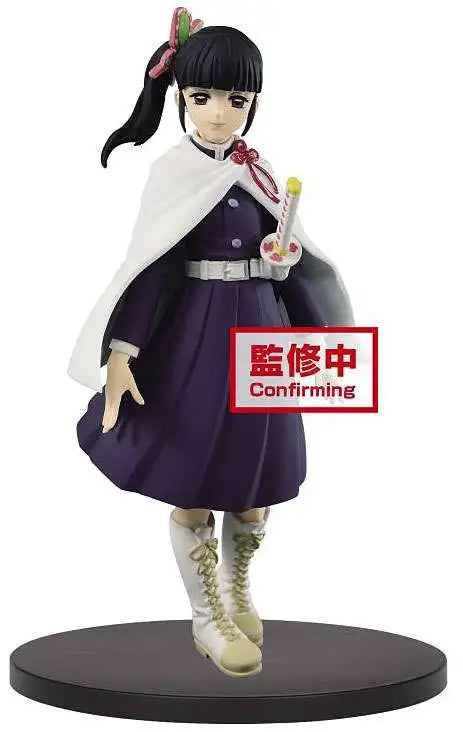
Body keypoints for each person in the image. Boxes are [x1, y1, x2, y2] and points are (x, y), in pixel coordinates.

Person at [68, 6, 353, 678]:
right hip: (195, 337)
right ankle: (206, 616)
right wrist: (122, 351)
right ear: (181, 98)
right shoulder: (174, 173)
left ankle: (236, 588)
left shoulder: (260, 171)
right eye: (202, 97)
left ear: (253, 103)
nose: (219, 113)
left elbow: (285, 253)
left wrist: (281, 257)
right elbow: (151, 267)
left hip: (261, 329)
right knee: (194, 472)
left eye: (235, 99)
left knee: (257, 476)